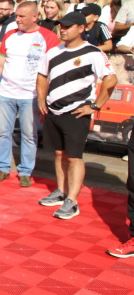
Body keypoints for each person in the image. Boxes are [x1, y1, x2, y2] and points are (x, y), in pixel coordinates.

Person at [36, 12, 117, 220]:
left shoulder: (93, 53)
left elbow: (111, 79)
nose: (63, 29)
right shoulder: (52, 52)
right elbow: (42, 75)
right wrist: (41, 99)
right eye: (61, 25)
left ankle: (72, 200)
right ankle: (61, 192)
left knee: (74, 157)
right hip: (54, 111)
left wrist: (95, 105)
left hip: (77, 112)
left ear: (81, 28)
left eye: (68, 26)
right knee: (58, 154)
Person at [0, 1, 60, 187]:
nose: (17, 20)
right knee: (3, 132)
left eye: (22, 16)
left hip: (30, 95)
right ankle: (2, 167)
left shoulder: (48, 37)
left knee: (29, 134)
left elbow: (52, 69)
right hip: (6, 92)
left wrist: (44, 95)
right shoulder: (9, 35)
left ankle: (25, 171)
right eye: (16, 16)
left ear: (35, 16)